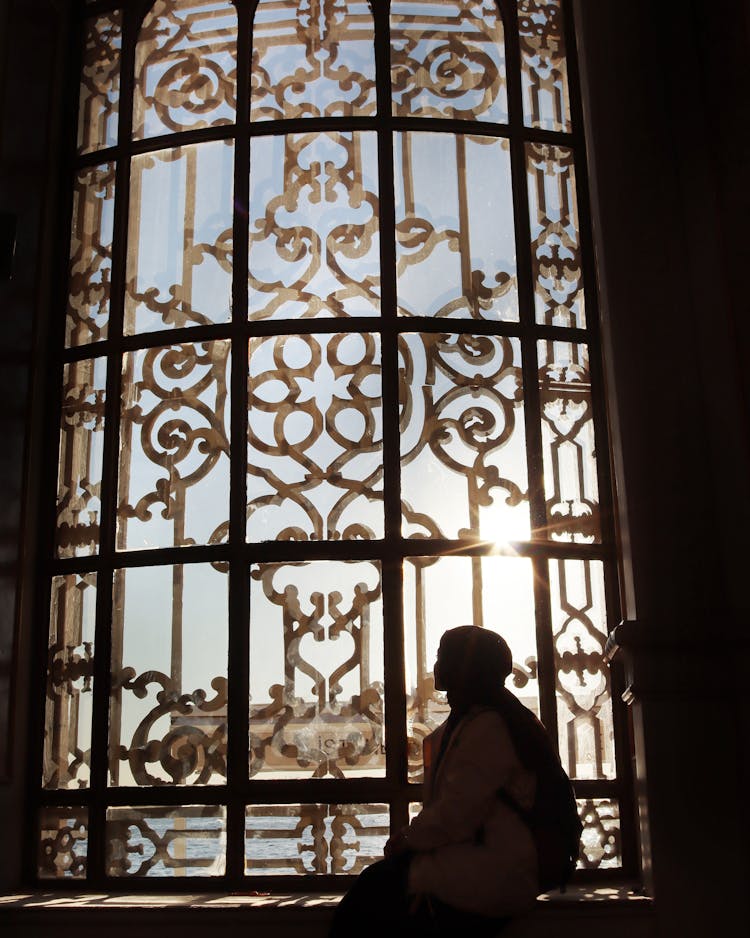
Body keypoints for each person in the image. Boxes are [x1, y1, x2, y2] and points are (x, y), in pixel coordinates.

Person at [328, 625, 540, 938]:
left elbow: (458, 812)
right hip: (483, 861)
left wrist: (407, 839)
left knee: (372, 894)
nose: (436, 666)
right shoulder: (483, 720)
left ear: (466, 668)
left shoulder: (487, 727)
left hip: (491, 871)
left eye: (443, 657)